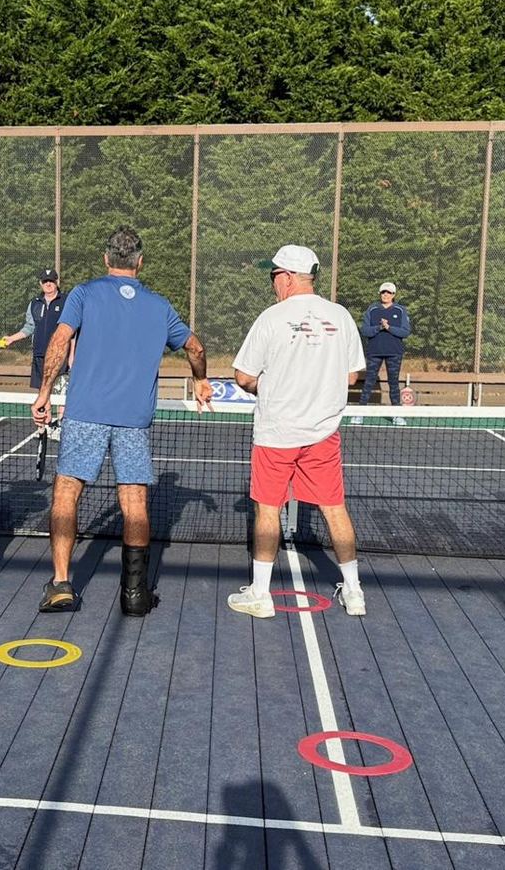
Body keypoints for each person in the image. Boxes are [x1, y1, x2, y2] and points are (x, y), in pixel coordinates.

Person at [30, 226, 212, 615]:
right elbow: (195, 347)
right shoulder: (159, 306)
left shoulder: (83, 293)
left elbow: (59, 342)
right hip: (134, 420)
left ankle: (61, 584)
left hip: (85, 414)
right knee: (134, 501)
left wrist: (44, 393)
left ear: (106, 259)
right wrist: (200, 380)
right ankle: (135, 594)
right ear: (140, 262)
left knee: (66, 493)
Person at [228, 245, 368, 618]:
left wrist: (270, 386)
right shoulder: (340, 316)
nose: (272, 282)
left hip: (276, 434)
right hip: (323, 434)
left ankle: (261, 594)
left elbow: (243, 376)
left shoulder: (271, 319)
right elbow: (353, 374)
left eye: (274, 275)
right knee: (334, 509)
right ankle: (354, 592)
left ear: (288, 277)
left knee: (268, 509)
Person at [0, 267, 73, 436]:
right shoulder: (34, 303)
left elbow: (73, 330)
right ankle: (45, 423)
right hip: (40, 355)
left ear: (57, 282)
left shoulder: (67, 301)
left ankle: (60, 425)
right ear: (40, 283)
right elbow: (29, 327)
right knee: (42, 390)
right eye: (45, 281)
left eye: (51, 281)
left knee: (62, 390)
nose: (48, 284)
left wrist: (71, 356)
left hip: (60, 356)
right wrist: (12, 338)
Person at [352, 281, 411, 426]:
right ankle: (360, 415)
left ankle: (397, 415)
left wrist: (389, 327)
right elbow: (365, 330)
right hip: (374, 352)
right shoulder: (372, 309)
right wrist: (379, 327)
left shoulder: (400, 310)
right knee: (369, 382)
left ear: (394, 295)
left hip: (394, 353)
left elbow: (405, 331)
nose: (386, 295)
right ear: (380, 294)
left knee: (393, 383)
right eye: (383, 292)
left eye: (389, 293)